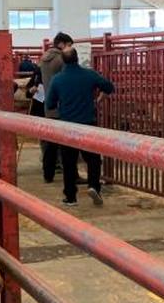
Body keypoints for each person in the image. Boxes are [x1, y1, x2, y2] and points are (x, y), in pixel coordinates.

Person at [45, 47, 115, 206]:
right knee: (93, 160)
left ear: (63, 60)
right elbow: (110, 87)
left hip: (67, 126)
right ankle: (94, 187)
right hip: (88, 124)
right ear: (77, 58)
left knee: (69, 163)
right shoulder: (89, 74)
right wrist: (98, 98)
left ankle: (70, 197)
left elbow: (49, 104)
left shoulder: (57, 79)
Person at [37, 32, 73, 182]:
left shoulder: (44, 59)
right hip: (62, 105)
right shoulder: (60, 60)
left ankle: (48, 174)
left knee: (50, 141)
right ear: (62, 44)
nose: (69, 49)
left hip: (49, 103)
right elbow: (68, 79)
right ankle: (70, 173)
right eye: (69, 46)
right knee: (67, 142)